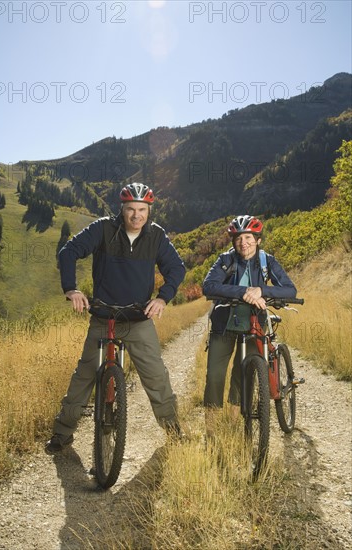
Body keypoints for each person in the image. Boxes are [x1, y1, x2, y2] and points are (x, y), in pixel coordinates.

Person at [46, 183, 186, 453]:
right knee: (84, 376)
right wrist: (71, 289)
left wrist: (162, 297)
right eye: (131, 209)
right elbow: (68, 252)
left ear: (149, 210)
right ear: (121, 210)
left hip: (138, 318)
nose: (137, 215)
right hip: (103, 316)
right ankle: (62, 433)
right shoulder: (103, 229)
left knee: (157, 377)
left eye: (142, 209)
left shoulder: (156, 236)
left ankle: (173, 429)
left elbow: (177, 269)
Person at [202, 215, 297, 435]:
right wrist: (244, 292)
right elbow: (209, 286)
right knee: (214, 376)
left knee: (242, 375)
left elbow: (290, 290)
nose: (243, 243)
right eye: (238, 238)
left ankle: (234, 426)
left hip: (254, 323)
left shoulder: (267, 262)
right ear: (233, 241)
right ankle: (212, 432)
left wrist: (262, 290)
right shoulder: (226, 260)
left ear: (258, 239)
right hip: (224, 324)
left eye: (248, 237)